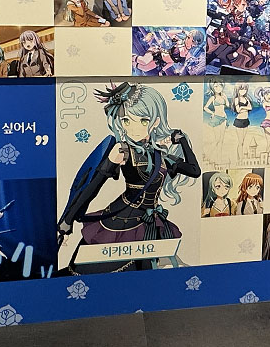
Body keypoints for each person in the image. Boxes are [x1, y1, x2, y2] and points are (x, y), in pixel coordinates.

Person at [57, 83, 200, 272]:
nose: (133, 128)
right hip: (122, 220)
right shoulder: (122, 150)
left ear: (155, 121)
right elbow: (93, 186)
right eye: (126, 120)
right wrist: (67, 221)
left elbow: (194, 170)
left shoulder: (162, 155)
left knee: (148, 271)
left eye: (143, 120)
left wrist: (182, 141)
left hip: (151, 221)